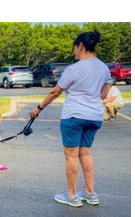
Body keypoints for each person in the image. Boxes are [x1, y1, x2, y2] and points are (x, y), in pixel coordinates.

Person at [29, 30, 112, 207]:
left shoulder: (74, 69)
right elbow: (104, 93)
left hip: (74, 116)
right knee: (86, 153)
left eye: (74, 47)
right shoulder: (104, 68)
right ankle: (90, 194)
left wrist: (38, 108)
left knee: (71, 156)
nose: (74, 51)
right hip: (95, 116)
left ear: (80, 46)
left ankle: (72, 196)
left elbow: (55, 92)